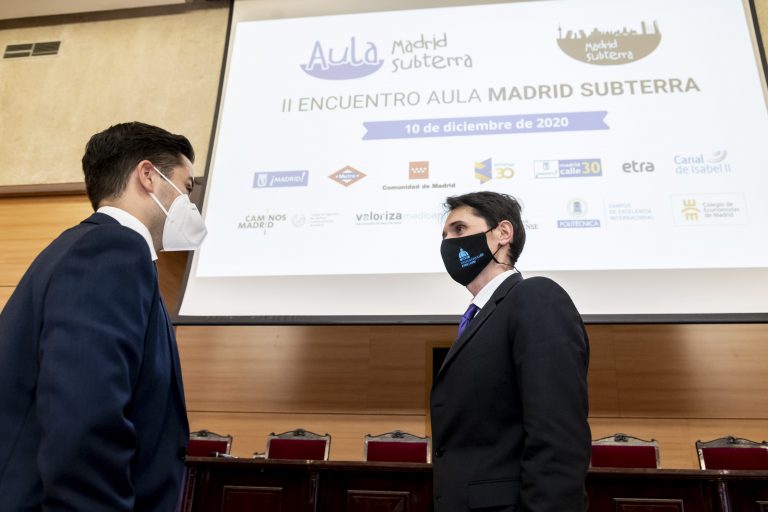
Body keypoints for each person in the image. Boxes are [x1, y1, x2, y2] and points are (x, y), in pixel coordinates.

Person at [0, 122, 208, 511]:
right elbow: (85, 413)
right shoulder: (112, 249)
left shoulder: (90, 247)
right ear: (148, 175)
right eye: (186, 186)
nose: (189, 203)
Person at [431, 191, 590, 512]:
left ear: (503, 233)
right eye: (445, 235)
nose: (449, 243)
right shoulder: (478, 317)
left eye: (459, 229)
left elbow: (557, 438)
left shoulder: (535, 297)